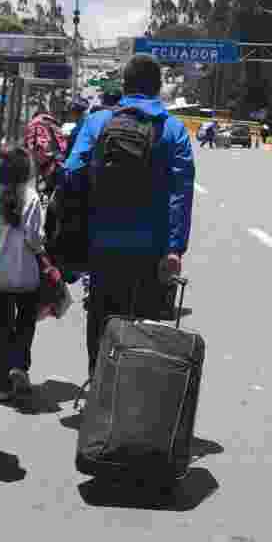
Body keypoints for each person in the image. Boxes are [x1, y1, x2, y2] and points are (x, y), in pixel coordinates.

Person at [62, 53, 196, 378]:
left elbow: (70, 172)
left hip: (102, 243)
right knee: (143, 324)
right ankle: (133, 396)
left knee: (102, 317)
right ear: (158, 88)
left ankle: (98, 384)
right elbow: (181, 192)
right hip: (151, 249)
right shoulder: (173, 130)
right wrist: (175, 248)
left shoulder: (98, 122)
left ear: (124, 85)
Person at [0, 146, 53, 402]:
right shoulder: (31, 197)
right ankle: (19, 366)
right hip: (26, 273)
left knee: (0, 330)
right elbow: (35, 239)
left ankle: (2, 385)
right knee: (25, 324)